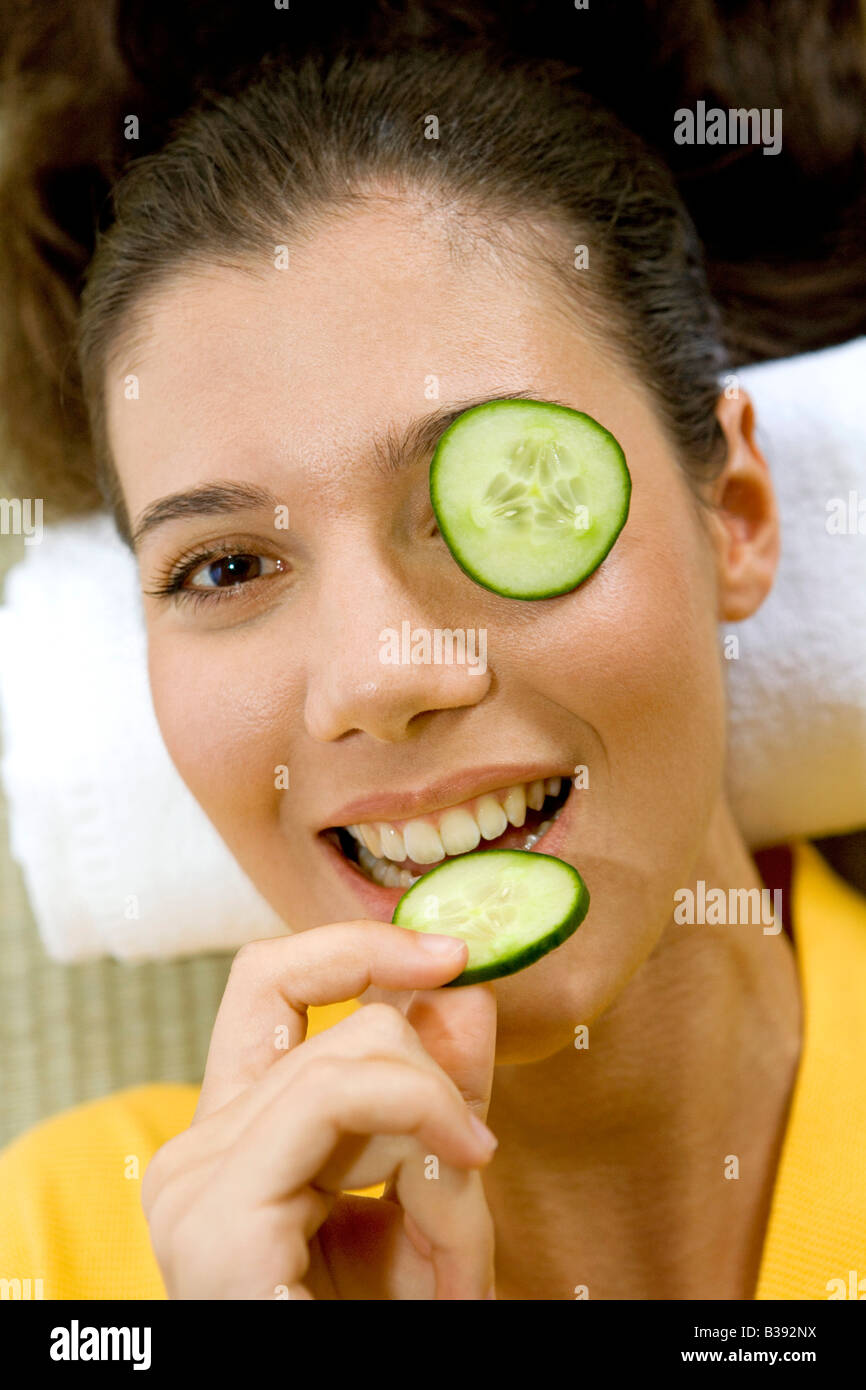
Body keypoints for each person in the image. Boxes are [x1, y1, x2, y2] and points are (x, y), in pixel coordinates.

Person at [1, 43, 864, 1301]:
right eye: (225, 568)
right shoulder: (51, 1255)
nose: (373, 679)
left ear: (731, 511)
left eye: (490, 502)